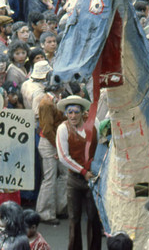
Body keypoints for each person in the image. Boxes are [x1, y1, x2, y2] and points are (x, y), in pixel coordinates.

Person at [56, 95, 102, 250]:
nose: (72, 116)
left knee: (93, 218)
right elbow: (63, 157)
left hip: (93, 177)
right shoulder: (63, 129)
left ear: (83, 113)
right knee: (74, 219)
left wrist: (96, 169)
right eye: (69, 112)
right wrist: (83, 171)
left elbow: (102, 147)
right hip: (75, 179)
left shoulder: (94, 123)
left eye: (76, 112)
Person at [36, 82, 67, 225]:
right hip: (50, 142)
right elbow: (47, 130)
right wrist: (58, 147)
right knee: (50, 178)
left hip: (53, 141)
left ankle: (59, 208)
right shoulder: (46, 103)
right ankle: (45, 212)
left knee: (64, 175)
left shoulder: (53, 100)